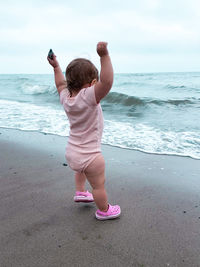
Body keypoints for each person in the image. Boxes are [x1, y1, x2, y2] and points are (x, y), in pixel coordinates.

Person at [47, 42, 121, 220]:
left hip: (72, 152)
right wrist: (104, 56)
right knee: (98, 186)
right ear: (92, 83)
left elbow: (59, 84)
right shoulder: (89, 96)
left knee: (81, 169)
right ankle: (104, 210)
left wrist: (56, 67)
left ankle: (80, 192)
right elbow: (108, 82)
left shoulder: (66, 97)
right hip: (91, 156)